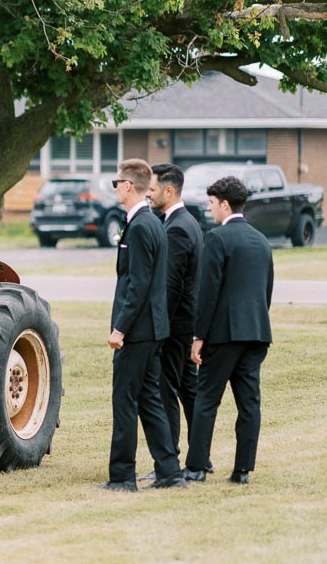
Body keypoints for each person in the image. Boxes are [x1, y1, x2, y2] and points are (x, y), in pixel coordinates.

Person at [100, 158, 185, 492]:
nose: (115, 188)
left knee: (125, 400)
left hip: (138, 331)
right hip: (153, 328)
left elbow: (138, 285)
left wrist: (120, 328)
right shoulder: (151, 223)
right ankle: (170, 472)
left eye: (116, 182)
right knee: (150, 400)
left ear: (128, 185)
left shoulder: (141, 227)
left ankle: (122, 477)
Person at [183, 175, 274, 485]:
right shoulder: (261, 241)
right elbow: (267, 291)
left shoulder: (218, 238)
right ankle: (243, 471)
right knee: (249, 404)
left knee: (207, 399)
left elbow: (207, 293)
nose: (209, 210)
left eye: (211, 203)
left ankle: (195, 467)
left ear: (224, 204)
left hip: (223, 334)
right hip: (256, 332)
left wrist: (199, 337)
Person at [149, 162, 206, 470]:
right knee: (189, 391)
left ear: (168, 190)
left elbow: (170, 287)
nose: (149, 194)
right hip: (187, 325)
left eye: (153, 189)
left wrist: (160, 327)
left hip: (175, 326)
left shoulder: (177, 229)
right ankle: (201, 458)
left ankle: (168, 459)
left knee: (166, 390)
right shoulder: (189, 222)